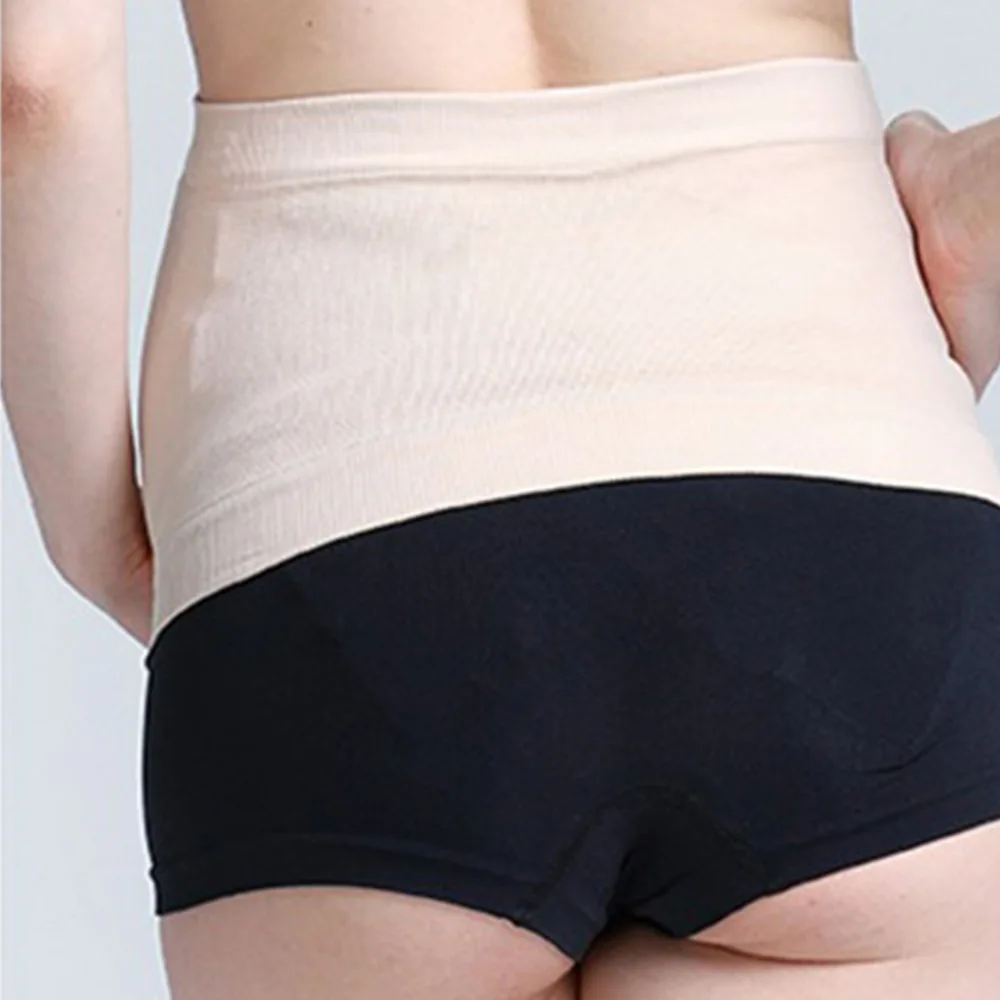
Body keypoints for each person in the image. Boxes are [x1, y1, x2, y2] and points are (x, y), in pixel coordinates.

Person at [4, 2, 1000, 998]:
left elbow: (35, 82)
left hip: (347, 550)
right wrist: (971, 212)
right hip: (852, 540)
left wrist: (96, 540)